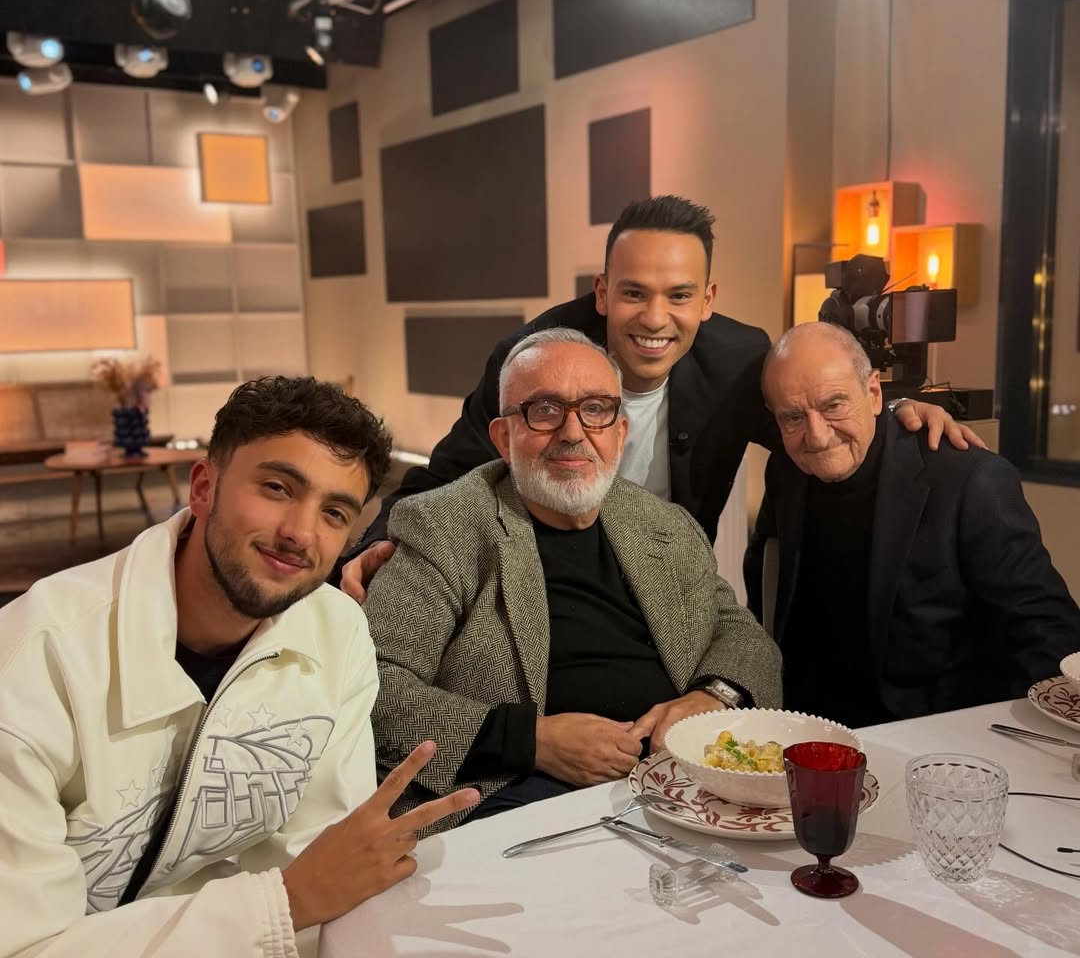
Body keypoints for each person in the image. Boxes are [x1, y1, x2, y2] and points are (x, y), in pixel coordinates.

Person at [0, 377, 478, 958]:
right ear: (203, 486)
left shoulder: (335, 636)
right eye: (277, 487)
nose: (299, 532)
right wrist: (280, 906)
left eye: (334, 512)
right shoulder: (37, 658)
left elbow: (309, 861)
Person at [340, 195, 982, 601]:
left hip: (670, 585)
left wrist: (892, 410)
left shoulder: (738, 361)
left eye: (678, 295)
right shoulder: (535, 358)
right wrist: (375, 543)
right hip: (545, 583)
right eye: (633, 293)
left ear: (707, 299)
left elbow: (808, 424)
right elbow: (448, 475)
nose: (654, 318)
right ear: (601, 292)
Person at [364, 329, 782, 829]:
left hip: (679, 781)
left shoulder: (667, 526)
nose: (572, 432)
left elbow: (742, 636)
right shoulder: (444, 526)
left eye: (595, 409)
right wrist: (532, 741)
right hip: (513, 795)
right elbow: (373, 686)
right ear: (503, 437)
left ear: (620, 433)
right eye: (544, 410)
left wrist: (712, 697)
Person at [744, 322, 1080, 727]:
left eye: (834, 405)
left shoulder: (968, 479)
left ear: (873, 393)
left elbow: (1047, 631)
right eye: (794, 417)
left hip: (933, 733)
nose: (816, 436)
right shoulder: (786, 469)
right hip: (806, 724)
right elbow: (768, 580)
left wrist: (1018, 740)